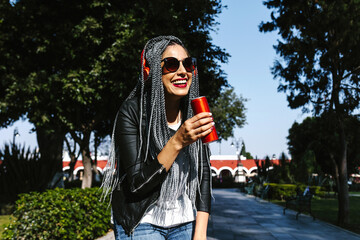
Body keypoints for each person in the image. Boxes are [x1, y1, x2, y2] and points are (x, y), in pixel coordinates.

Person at [101, 35, 213, 240]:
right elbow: (137, 184)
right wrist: (177, 141)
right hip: (141, 221)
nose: (182, 71)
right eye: (171, 64)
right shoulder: (132, 112)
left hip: (184, 220)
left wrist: (201, 231)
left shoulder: (193, 113)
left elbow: (203, 173)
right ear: (150, 71)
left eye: (188, 64)